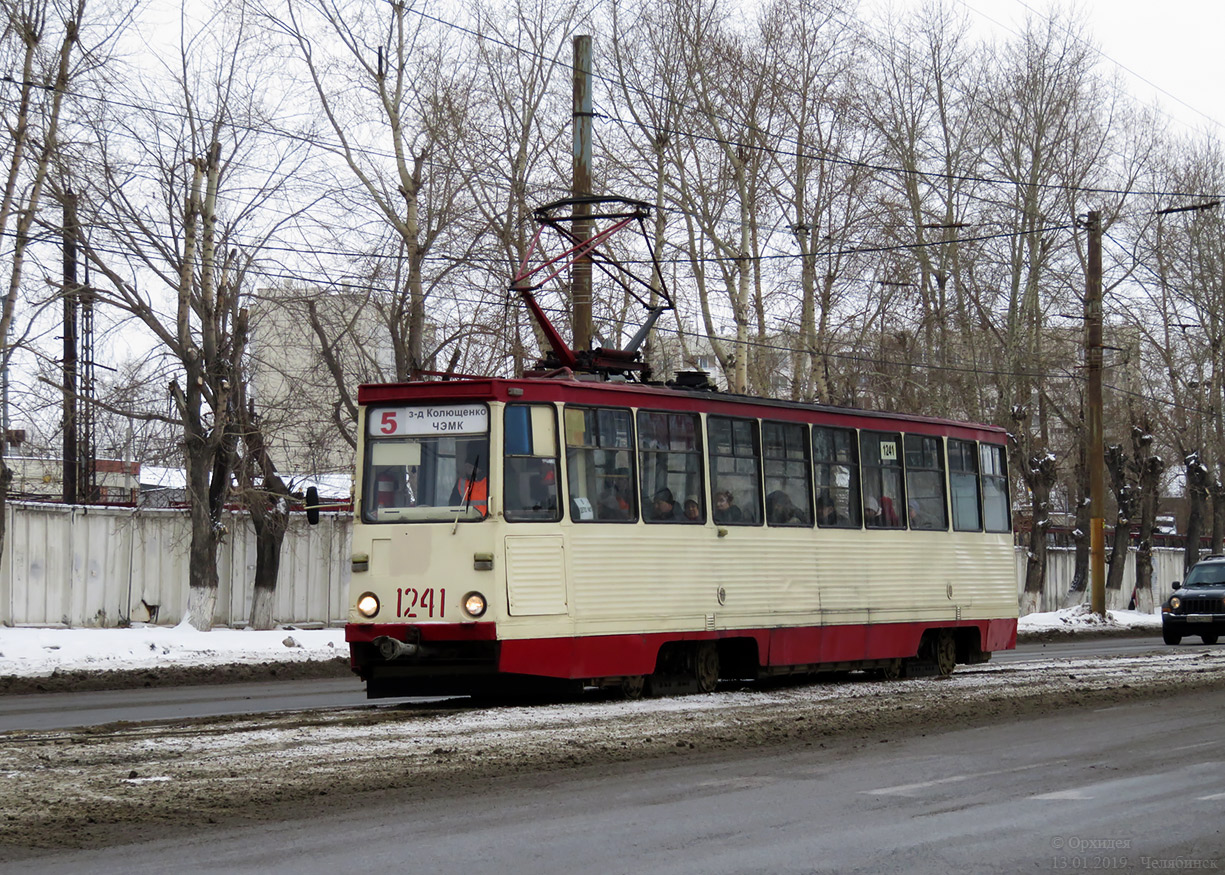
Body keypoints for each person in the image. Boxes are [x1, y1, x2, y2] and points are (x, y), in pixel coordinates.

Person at [452, 443, 488, 515]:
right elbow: (452, 507)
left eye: (470, 467)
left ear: (479, 469)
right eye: (466, 467)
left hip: (488, 523)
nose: (467, 470)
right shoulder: (460, 483)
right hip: (466, 524)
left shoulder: (491, 483)